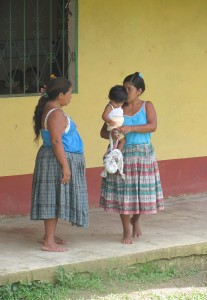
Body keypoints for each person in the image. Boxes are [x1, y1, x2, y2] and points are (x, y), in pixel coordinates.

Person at [100, 72, 164, 244]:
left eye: (129, 88)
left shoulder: (147, 106)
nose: (126, 92)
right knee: (124, 195)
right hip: (122, 155)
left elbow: (153, 126)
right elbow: (102, 132)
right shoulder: (117, 107)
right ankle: (126, 230)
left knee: (142, 192)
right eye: (124, 87)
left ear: (139, 91)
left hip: (143, 154)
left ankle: (135, 220)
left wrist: (131, 128)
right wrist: (112, 132)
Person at [31, 77, 88, 252]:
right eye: (69, 93)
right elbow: (56, 141)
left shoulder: (50, 109)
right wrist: (65, 166)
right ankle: (49, 242)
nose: (71, 97)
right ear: (60, 95)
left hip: (53, 158)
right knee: (52, 198)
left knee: (53, 197)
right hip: (56, 160)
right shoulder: (55, 113)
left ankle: (49, 236)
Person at [102, 85, 127, 151]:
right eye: (116, 102)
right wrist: (109, 121)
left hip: (117, 127)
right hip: (113, 127)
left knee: (118, 141)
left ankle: (116, 151)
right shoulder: (110, 106)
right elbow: (104, 116)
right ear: (110, 98)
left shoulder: (119, 106)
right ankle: (117, 152)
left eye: (121, 103)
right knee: (122, 140)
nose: (118, 105)